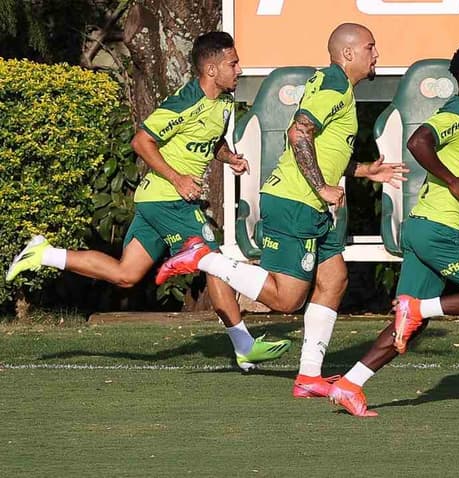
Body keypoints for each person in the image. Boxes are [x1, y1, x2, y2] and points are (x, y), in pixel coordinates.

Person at [5, 32, 290, 372]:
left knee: (126, 275)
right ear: (212, 69)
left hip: (156, 201)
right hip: (169, 200)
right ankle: (244, 346)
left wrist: (229, 158)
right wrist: (177, 178)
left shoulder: (225, 102)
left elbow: (209, 141)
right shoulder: (185, 102)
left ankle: (44, 253)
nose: (239, 70)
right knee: (211, 261)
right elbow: (141, 142)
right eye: (233, 63)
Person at [155, 23, 407, 398]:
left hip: (310, 204)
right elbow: (299, 134)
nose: (377, 54)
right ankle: (204, 258)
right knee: (287, 299)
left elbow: (325, 149)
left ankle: (308, 376)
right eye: (371, 47)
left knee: (334, 280)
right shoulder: (335, 85)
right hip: (296, 202)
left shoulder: (338, 87)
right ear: (349, 53)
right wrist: (322, 186)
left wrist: (364, 170)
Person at [327, 43, 459, 417]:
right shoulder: (456, 111)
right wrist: (451, 182)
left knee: (410, 327)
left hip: (424, 230)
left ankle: (350, 384)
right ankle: (419, 306)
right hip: (437, 230)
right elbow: (418, 141)